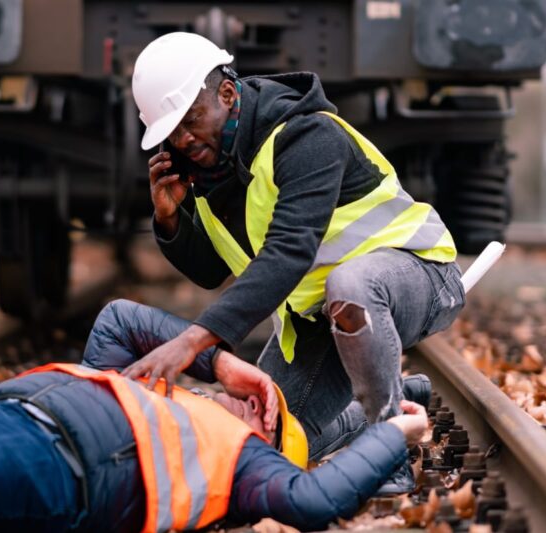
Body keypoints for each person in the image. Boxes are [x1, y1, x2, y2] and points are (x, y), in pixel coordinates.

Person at [0, 227, 428, 532]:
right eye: (251, 392)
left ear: (263, 435)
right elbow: (120, 318)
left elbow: (315, 500)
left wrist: (398, 429)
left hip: (45, 468)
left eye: (262, 408)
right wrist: (216, 358)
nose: (247, 398)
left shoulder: (242, 467)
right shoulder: (154, 390)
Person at [125, 32, 465, 492]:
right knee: (267, 442)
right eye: (172, 134)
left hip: (419, 276)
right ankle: (396, 402)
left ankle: (391, 452)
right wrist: (169, 219)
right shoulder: (210, 171)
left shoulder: (307, 134)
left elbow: (290, 250)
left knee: (352, 283)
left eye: (191, 120)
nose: (184, 140)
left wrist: (191, 342)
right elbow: (210, 271)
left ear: (226, 93)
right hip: (321, 318)